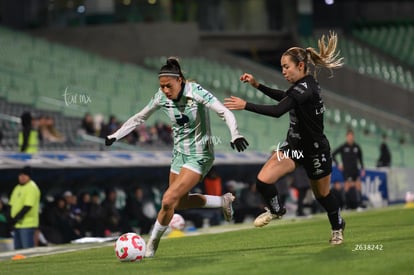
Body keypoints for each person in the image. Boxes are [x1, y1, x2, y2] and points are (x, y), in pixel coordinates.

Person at [105, 57, 248, 257]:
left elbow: (223, 111)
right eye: (162, 86)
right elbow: (140, 117)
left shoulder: (195, 92)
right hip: (179, 155)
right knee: (177, 203)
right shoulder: (161, 97)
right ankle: (222, 202)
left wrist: (235, 133)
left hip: (200, 154)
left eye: (168, 86)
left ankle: (151, 246)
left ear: (180, 80)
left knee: (167, 199)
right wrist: (115, 135)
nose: (165, 90)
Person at [224, 32, 346, 245]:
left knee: (323, 196)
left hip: (315, 151)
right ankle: (276, 210)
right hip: (294, 148)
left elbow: (278, 110)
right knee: (263, 181)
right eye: (281, 67)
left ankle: (337, 227)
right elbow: (284, 97)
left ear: (300, 66)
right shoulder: (300, 87)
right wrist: (257, 85)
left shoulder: (307, 87)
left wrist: (246, 105)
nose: (283, 71)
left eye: (286, 67)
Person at [8, 166, 41, 249]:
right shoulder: (17, 187)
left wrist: (16, 218)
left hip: (27, 224)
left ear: (29, 176)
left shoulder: (31, 187)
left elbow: (28, 206)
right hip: (17, 224)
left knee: (27, 249)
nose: (22, 177)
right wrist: (11, 219)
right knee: (18, 250)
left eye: (24, 175)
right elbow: (11, 204)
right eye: (20, 175)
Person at [332, 129, 365, 209]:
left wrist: (363, 168)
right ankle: (346, 205)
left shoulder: (357, 147)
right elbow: (333, 154)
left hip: (355, 170)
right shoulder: (343, 147)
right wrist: (338, 164)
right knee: (347, 186)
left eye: (352, 136)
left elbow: (360, 158)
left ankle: (360, 203)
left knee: (358, 185)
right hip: (347, 170)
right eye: (349, 136)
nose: (350, 138)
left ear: (353, 137)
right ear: (346, 137)